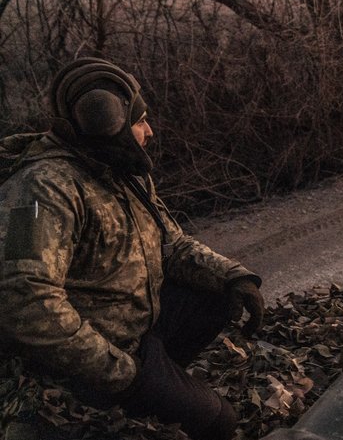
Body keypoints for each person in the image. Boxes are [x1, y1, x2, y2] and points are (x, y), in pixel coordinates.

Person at [0, 58, 266, 440]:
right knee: (218, 422)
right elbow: (24, 299)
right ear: (106, 123)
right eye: (140, 121)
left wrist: (232, 275)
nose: (150, 131)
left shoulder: (122, 169)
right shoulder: (41, 190)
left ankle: (153, 391)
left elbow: (169, 243)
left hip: (135, 332)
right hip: (87, 358)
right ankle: (129, 395)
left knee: (219, 296)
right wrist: (121, 372)